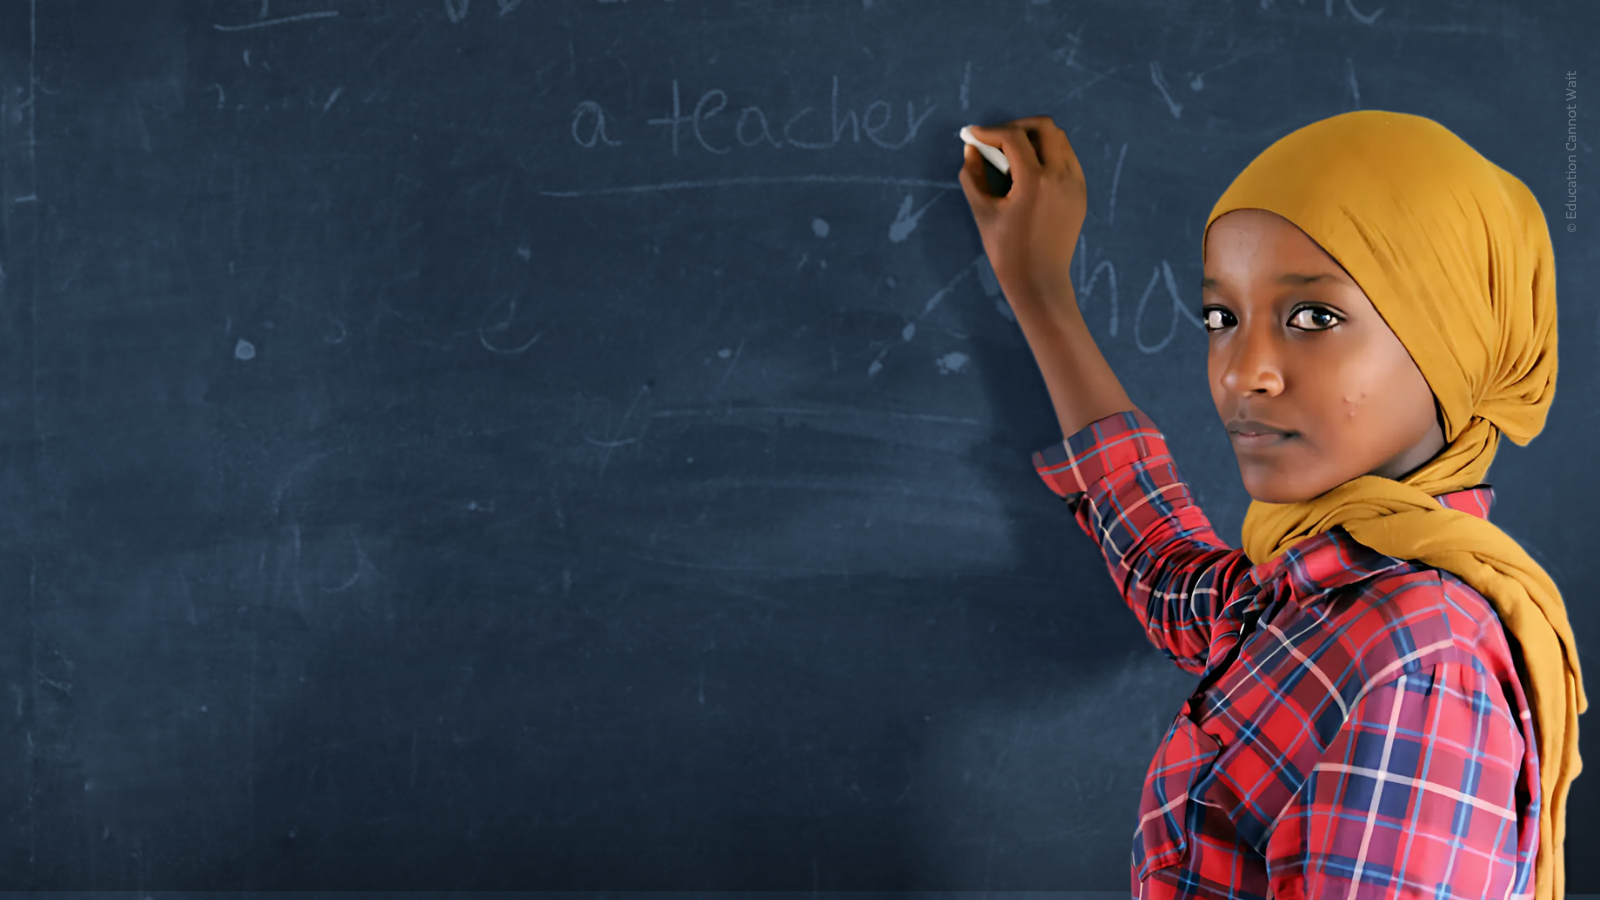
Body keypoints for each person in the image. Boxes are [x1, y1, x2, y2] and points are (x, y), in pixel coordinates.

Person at [957, 110, 1586, 900]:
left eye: (1313, 317)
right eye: (1222, 318)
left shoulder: (1421, 657)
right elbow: (1168, 572)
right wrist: (1040, 289)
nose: (1240, 372)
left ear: (1455, 342)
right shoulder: (1325, 592)